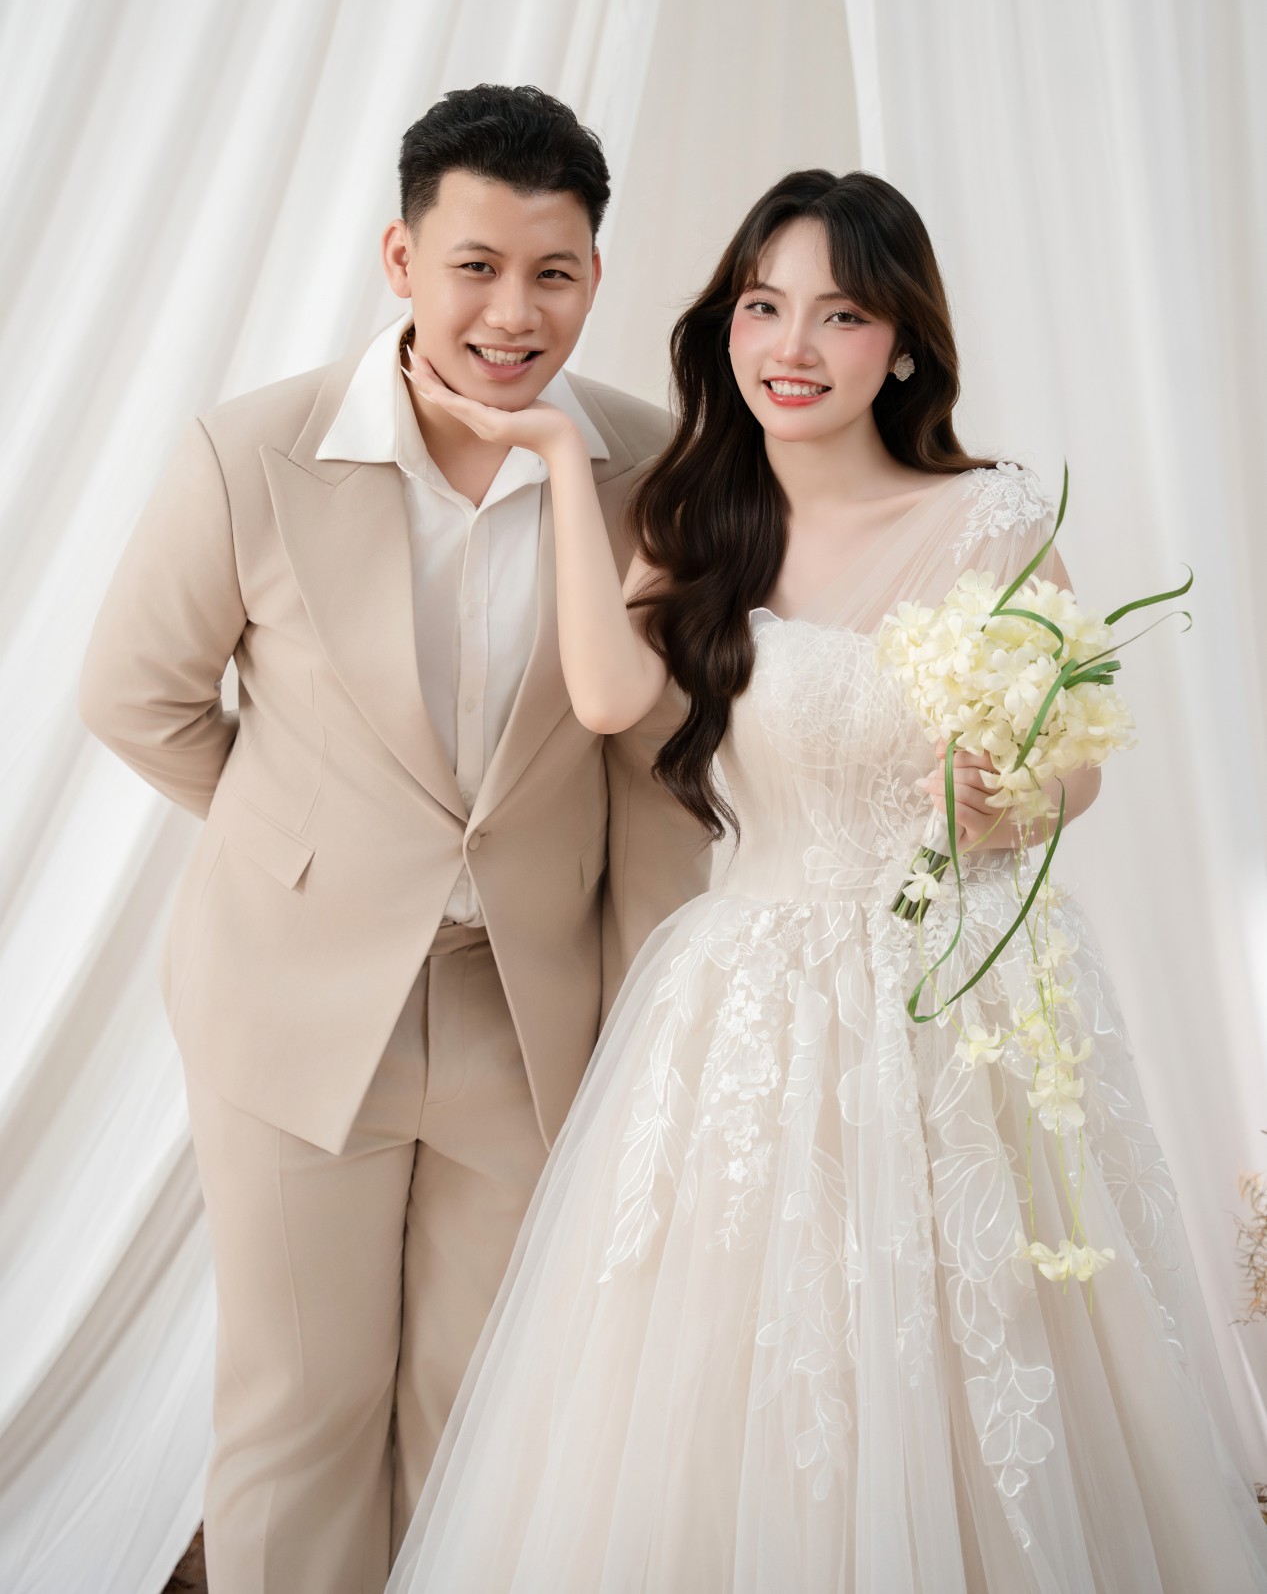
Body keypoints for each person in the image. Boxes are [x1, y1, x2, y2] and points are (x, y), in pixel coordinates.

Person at [387, 168, 1267, 1592]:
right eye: (762, 306)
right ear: (727, 326)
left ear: (902, 344)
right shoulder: (695, 516)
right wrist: (552, 450)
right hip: (755, 998)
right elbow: (609, 700)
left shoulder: (991, 517)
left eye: (841, 315)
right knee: (751, 1361)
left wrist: (1011, 802)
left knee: (974, 1351)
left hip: (961, 997)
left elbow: (1079, 764)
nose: (791, 347)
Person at [78, 84, 709, 1593]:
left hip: (532, 1015)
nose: (513, 312)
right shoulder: (253, 451)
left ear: (597, 277)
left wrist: (648, 1023)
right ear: (401, 258)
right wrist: (309, 851)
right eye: (474, 266)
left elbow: (654, 776)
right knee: (298, 1412)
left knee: (483, 1412)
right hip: (294, 1005)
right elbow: (136, 697)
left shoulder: (652, 469)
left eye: (553, 273)